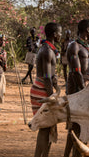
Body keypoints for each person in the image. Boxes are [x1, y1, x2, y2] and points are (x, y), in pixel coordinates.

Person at [64, 19, 89, 157]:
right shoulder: (74, 46)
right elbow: (76, 72)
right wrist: (85, 91)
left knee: (83, 127)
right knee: (76, 127)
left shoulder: (88, 48)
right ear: (88, 30)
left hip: (87, 90)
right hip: (77, 92)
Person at [30, 22, 62, 157]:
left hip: (43, 87)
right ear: (55, 34)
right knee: (45, 126)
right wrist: (52, 98)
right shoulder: (48, 51)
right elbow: (47, 77)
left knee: (48, 126)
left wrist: (56, 87)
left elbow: (51, 76)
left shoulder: (47, 49)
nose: (61, 35)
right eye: (60, 33)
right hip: (42, 89)